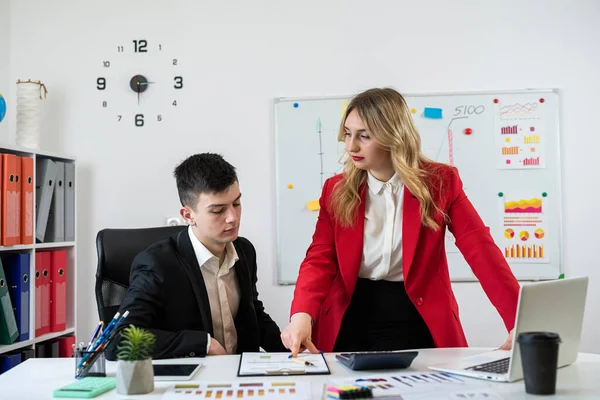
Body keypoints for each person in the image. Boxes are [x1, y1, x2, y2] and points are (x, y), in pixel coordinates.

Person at [281, 88, 520, 356]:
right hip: (350, 314)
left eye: (364, 136)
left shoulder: (441, 182)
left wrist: (518, 321)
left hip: (416, 314)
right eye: (347, 134)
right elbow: (320, 257)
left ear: (392, 135)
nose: (351, 146)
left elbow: (480, 249)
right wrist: (302, 314)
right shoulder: (335, 189)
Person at [107, 153, 286, 360]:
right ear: (188, 215)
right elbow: (118, 339)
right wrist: (203, 343)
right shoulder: (157, 264)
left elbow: (252, 313)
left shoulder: (244, 251)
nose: (233, 218)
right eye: (218, 210)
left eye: (236, 204)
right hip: (192, 379)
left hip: (240, 375)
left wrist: (293, 353)